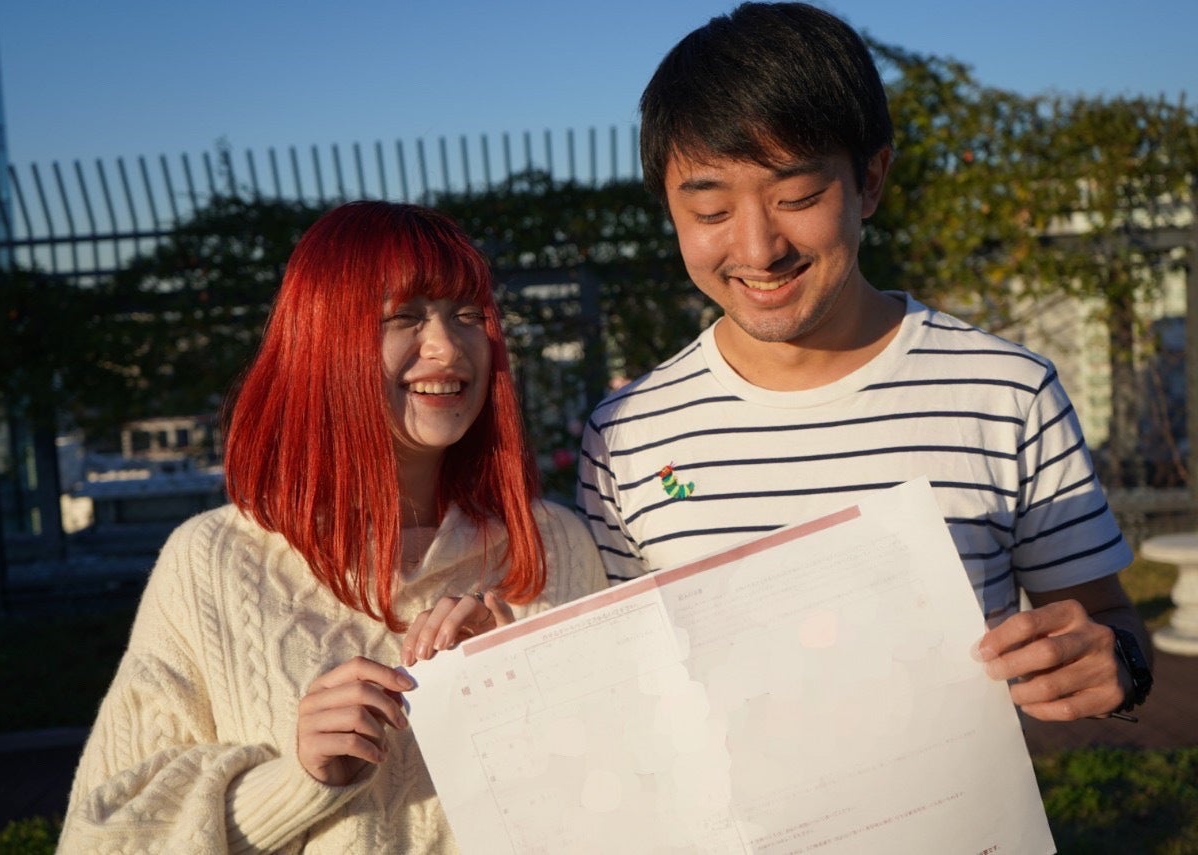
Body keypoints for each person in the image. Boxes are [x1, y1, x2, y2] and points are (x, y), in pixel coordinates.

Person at [576, 1, 1152, 727]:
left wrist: (1116, 662)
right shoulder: (625, 434)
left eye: (797, 197)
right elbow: (617, 681)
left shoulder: (1006, 395)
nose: (758, 250)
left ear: (870, 180)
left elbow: (1106, 619)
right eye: (711, 212)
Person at [59, 201, 606, 853]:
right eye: (405, 315)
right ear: (323, 341)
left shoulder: (555, 545)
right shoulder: (210, 561)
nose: (448, 345)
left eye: (468, 314)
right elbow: (105, 836)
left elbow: (634, 793)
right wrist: (299, 779)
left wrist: (523, 696)